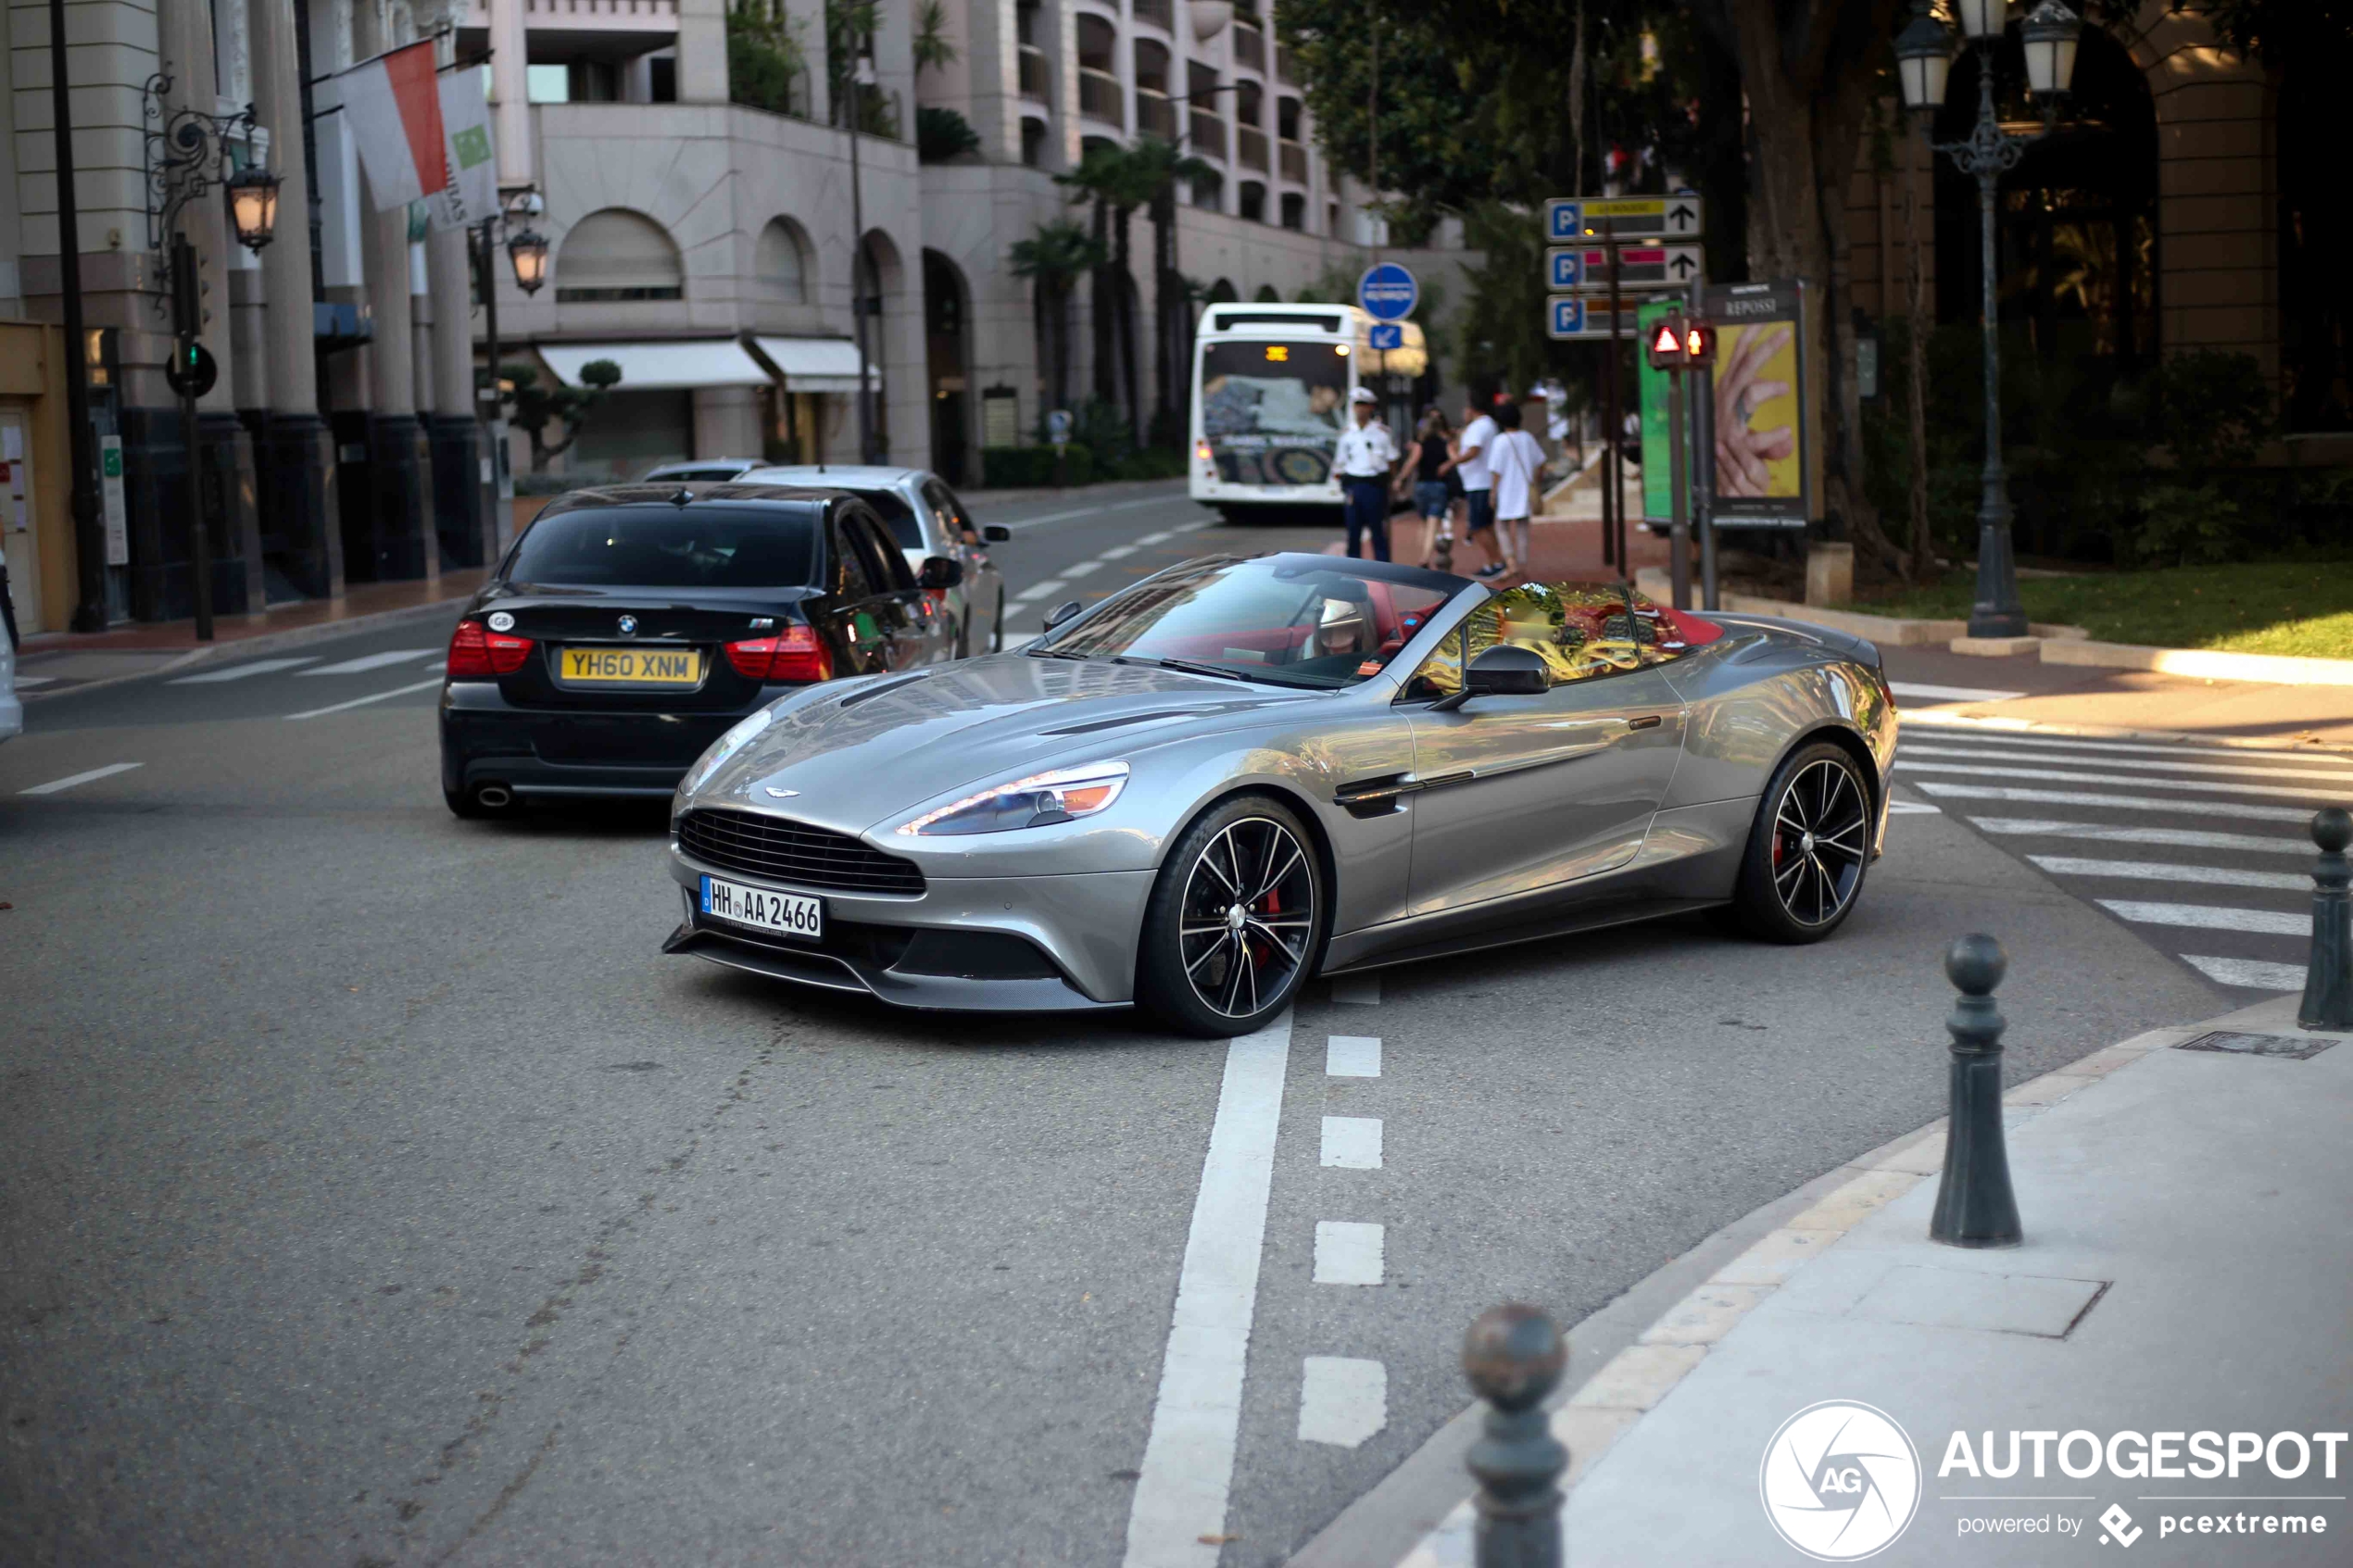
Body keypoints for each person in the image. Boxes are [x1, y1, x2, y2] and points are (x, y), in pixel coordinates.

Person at [1334, 388, 1400, 562]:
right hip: (1354, 487)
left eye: (1364, 405)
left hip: (1374, 486)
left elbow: (1392, 459)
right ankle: (1352, 570)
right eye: (1357, 405)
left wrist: (1392, 485)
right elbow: (1339, 464)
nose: (1360, 409)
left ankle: (1384, 571)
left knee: (1378, 531)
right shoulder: (1346, 434)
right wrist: (1345, 487)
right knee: (1353, 532)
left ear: (1371, 407)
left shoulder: (1382, 432)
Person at [1488, 399, 1545, 582]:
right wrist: (1536, 481)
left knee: (1501, 527)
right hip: (1525, 490)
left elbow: (1496, 471)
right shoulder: (1528, 438)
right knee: (1522, 528)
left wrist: (1493, 492)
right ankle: (1520, 565)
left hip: (1506, 490)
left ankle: (1510, 563)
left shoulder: (1499, 441)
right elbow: (1541, 462)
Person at [1396, 406, 1454, 569]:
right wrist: (1446, 465)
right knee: (1433, 524)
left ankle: (1423, 555)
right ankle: (1424, 557)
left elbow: (1410, 463)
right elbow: (1455, 459)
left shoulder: (1419, 445)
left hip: (1422, 486)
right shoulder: (1445, 444)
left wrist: (1400, 479)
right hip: (1439, 486)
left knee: (1422, 522)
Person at [1454, 394, 1505, 579]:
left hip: (1478, 483)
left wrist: (1451, 462)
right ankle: (1494, 562)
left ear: (1472, 409)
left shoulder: (1479, 426)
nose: (1463, 412)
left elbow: (1473, 451)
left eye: (1465, 408)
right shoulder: (1488, 425)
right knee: (1486, 525)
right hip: (1479, 482)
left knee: (1477, 526)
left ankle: (1497, 561)